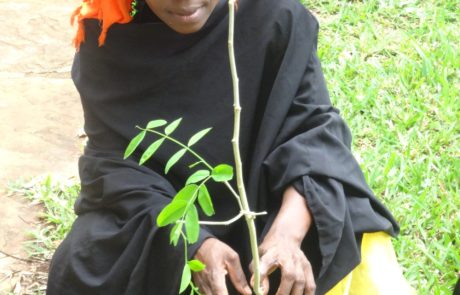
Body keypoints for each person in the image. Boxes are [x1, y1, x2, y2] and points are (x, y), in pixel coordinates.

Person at [47, 0, 415, 294]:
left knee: (343, 223)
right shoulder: (106, 37)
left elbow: (315, 131)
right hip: (164, 216)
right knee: (86, 258)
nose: (185, 2)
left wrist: (288, 234)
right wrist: (193, 244)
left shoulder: (275, 16)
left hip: (270, 204)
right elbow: (113, 165)